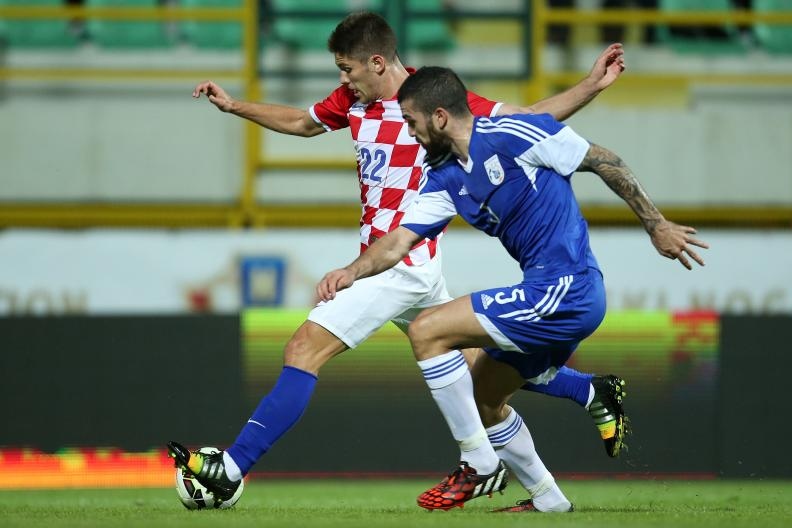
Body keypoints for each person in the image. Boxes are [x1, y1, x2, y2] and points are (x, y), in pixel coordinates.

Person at [167, 12, 628, 503]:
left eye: (347, 69)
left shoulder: (438, 102)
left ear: (378, 62)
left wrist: (590, 86)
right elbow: (302, 122)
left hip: (403, 261)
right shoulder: (353, 101)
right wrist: (235, 106)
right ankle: (566, 444)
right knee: (478, 376)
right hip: (397, 262)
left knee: (304, 348)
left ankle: (231, 468)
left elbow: (530, 115)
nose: (342, 80)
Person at [315, 66, 709, 512]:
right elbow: (399, 242)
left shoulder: (514, 134)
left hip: (568, 287)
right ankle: (549, 500)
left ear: (439, 117)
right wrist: (351, 271)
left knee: (427, 330)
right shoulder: (444, 176)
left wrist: (656, 226)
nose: (407, 131)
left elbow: (604, 160)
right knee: (483, 398)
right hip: (547, 293)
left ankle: (478, 464)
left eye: (410, 121)